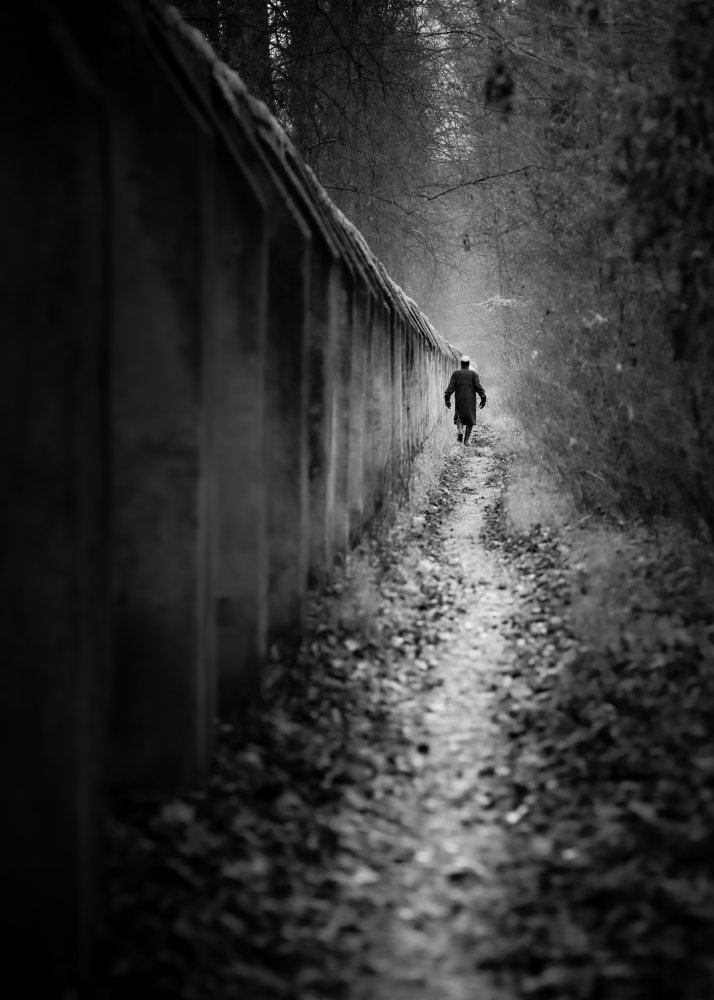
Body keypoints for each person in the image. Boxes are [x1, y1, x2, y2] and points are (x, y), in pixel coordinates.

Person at [444, 355, 487, 446]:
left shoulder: (456, 373)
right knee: (470, 420)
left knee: (459, 417)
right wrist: (483, 397)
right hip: (470, 400)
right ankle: (466, 441)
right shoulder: (473, 374)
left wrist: (447, 398)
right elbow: (479, 387)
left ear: (461, 364)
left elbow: (450, 388)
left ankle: (460, 432)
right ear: (468, 364)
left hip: (459, 399)